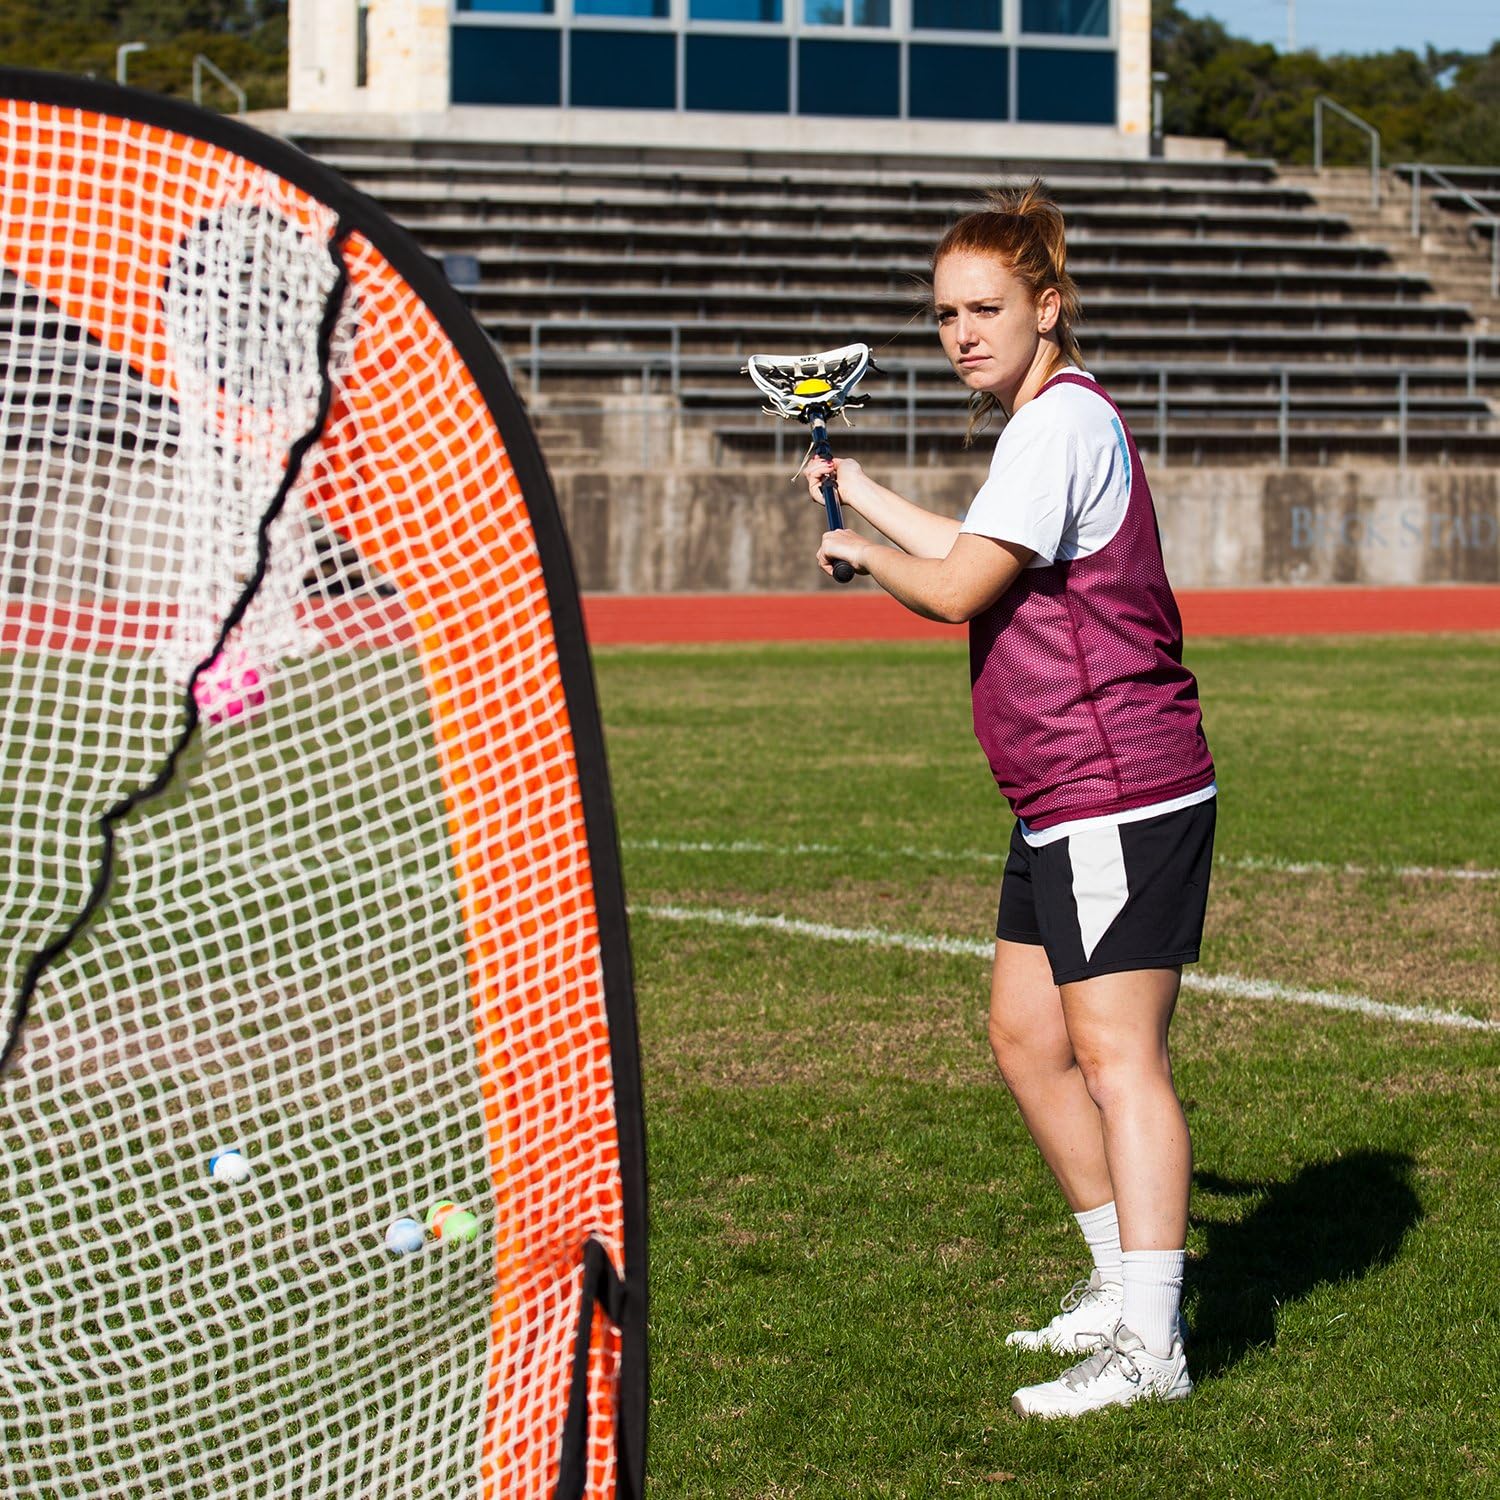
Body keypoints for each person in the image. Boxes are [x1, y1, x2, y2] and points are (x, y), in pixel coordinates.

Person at [804, 181, 1216, 1419]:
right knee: (1028, 1040)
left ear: (1048, 305)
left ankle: (1155, 1346)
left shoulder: (1058, 426)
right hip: (1057, 789)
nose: (963, 334)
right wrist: (861, 492)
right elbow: (983, 544)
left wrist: (868, 556)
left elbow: (958, 586)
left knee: (1115, 1056)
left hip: (1116, 786)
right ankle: (1118, 1287)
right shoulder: (1035, 428)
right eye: (943, 316)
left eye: (987, 308)